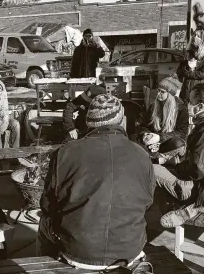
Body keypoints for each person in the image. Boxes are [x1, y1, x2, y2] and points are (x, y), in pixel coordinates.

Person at [38, 94, 155, 271]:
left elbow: (47, 205)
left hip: (77, 250)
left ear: (88, 121)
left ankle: (47, 267)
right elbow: (147, 203)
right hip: (129, 249)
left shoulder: (66, 152)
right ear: (121, 120)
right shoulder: (142, 154)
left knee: (44, 222)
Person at [154, 83, 204, 228]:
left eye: (190, 102)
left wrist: (176, 167)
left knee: (152, 169)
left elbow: (198, 170)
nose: (187, 105)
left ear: (199, 107)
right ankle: (182, 206)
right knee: (170, 160)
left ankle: (174, 207)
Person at [136, 74, 189, 160]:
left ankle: (157, 157)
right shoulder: (153, 106)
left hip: (167, 142)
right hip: (152, 142)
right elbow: (144, 125)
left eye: (162, 92)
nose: (158, 94)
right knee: (134, 139)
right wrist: (146, 134)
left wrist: (160, 137)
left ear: (170, 94)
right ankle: (160, 158)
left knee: (178, 143)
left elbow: (182, 133)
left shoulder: (181, 109)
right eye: (158, 90)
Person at [177, 3, 204, 101]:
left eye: (198, 36)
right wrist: (183, 70)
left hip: (199, 90)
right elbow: (179, 69)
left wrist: (188, 74)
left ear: (202, 38)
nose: (195, 38)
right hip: (187, 89)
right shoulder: (189, 51)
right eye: (194, 36)